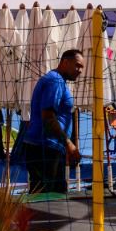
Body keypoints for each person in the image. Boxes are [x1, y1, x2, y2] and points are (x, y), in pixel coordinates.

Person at [22, 49, 82, 195]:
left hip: (48, 147)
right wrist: (69, 144)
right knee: (48, 197)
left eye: (81, 67)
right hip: (44, 148)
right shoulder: (55, 81)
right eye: (77, 66)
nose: (80, 71)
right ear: (65, 62)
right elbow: (48, 116)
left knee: (54, 194)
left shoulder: (57, 81)